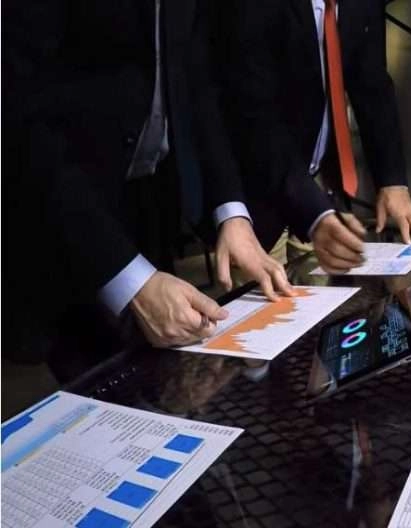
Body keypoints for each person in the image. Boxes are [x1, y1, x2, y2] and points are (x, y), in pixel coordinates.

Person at [2, 0, 291, 371]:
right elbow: (18, 124)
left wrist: (230, 211)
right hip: (53, 230)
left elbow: (195, 82)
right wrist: (132, 280)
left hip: (150, 210)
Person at [222, 0, 411, 275]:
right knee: (269, 305)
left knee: (329, 304)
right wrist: (315, 212)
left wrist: (393, 182)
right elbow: (256, 118)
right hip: (261, 185)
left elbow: (372, 85)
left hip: (321, 182)